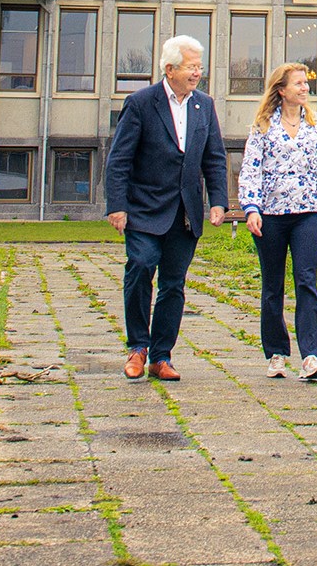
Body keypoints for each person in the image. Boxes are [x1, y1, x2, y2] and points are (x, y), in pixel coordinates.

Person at [105, 35, 227, 382]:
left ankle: (161, 356)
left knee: (173, 284)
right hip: (143, 210)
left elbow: (214, 158)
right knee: (141, 267)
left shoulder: (204, 105)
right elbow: (119, 160)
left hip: (184, 214)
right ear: (170, 69)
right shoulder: (141, 103)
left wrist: (218, 200)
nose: (197, 73)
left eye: (200, 67)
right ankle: (137, 348)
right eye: (192, 67)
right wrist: (117, 206)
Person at [240, 62, 317, 381]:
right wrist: (251, 207)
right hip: (269, 215)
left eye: (306, 83)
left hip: (307, 214)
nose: (305, 88)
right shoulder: (262, 125)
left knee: (306, 280)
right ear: (281, 89)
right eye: (298, 83)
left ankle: (311, 355)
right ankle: (276, 354)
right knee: (272, 285)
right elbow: (250, 167)